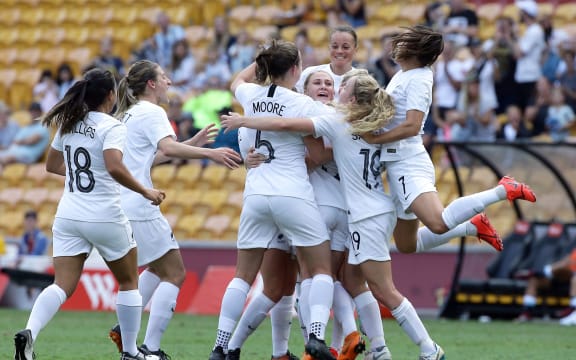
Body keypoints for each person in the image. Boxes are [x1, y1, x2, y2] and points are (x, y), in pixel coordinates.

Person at [220, 68, 446, 360]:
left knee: (318, 279)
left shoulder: (332, 119)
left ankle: (334, 346)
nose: (328, 86)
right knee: (344, 282)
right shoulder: (377, 122)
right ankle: (370, 348)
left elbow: (294, 135)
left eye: (333, 84)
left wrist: (247, 125)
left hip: (318, 207)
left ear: (348, 96)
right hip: (362, 209)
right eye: (320, 82)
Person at [13, 68, 165, 360]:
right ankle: (132, 352)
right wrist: (146, 191)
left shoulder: (69, 123)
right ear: (111, 95)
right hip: (104, 214)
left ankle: (30, 333)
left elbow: (52, 165)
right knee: (129, 281)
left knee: (61, 285)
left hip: (69, 214)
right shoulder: (112, 126)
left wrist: (83, 176)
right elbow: (114, 167)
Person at [208, 41, 336, 360]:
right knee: (319, 267)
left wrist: (259, 58)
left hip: (255, 193)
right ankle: (317, 336)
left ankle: (220, 346)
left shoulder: (251, 95)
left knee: (243, 275)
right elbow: (320, 149)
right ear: (295, 69)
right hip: (292, 192)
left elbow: (236, 81)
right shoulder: (300, 103)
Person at [108, 60, 241, 360]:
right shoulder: (153, 111)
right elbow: (167, 149)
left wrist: (189, 143)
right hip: (140, 204)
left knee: (157, 267)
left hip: (123, 203)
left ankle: (123, 326)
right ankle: (150, 348)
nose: (169, 82)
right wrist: (211, 152)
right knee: (176, 273)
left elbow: (146, 160)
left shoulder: (128, 115)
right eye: (164, 77)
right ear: (151, 84)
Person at [295, 25, 358, 98]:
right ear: (329, 48)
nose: (339, 51)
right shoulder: (309, 73)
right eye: (335, 46)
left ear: (355, 50)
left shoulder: (361, 79)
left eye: (345, 47)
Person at [0, 102, 50, 169]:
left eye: (36, 112)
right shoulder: (26, 127)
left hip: (27, 156)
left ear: (40, 113)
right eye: (32, 111)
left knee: (8, 158)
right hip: (13, 151)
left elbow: (31, 141)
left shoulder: (43, 127)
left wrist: (19, 142)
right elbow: (15, 141)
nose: (34, 114)